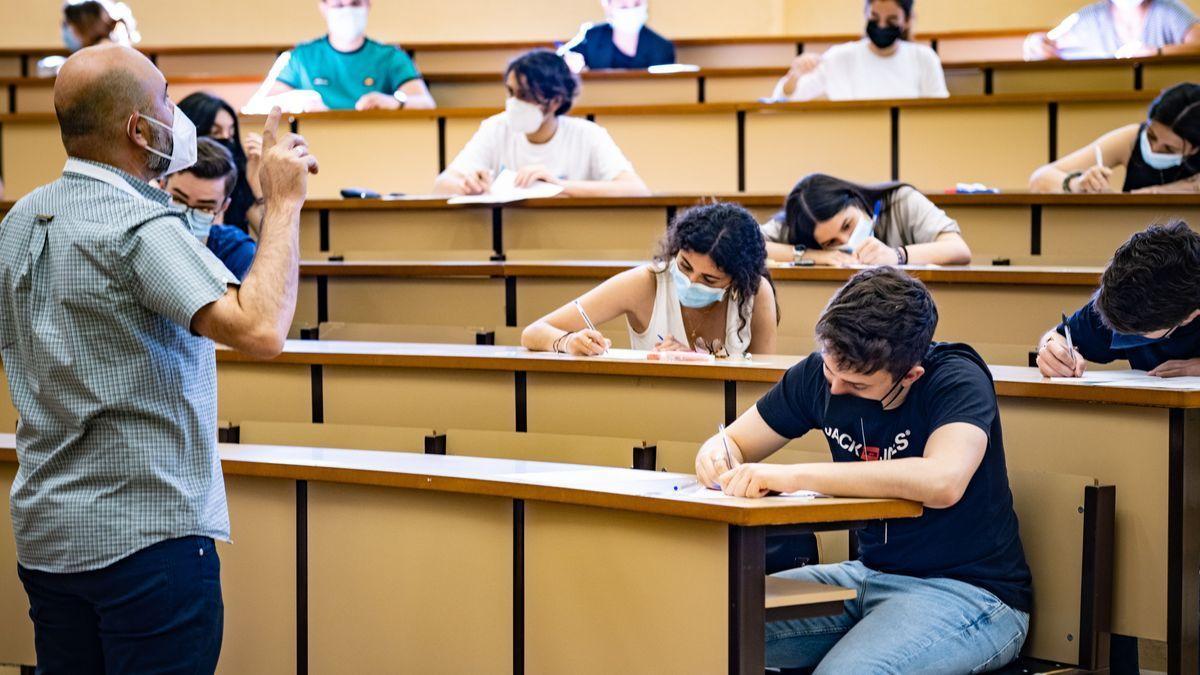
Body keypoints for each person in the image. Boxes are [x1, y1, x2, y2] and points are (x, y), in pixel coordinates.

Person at [0, 44, 317, 673]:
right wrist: (281, 204)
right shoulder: (138, 226)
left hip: (47, 533)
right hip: (146, 537)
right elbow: (261, 330)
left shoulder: (22, 217)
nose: (179, 113)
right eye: (168, 98)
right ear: (139, 130)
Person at [695, 267, 1031, 673]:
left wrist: (794, 476)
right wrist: (716, 454)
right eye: (828, 370)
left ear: (910, 375)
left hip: (971, 593)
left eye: (856, 385)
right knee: (699, 625)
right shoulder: (824, 372)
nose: (836, 389)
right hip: (865, 576)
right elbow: (734, 441)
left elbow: (943, 481)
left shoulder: (956, 377)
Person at [522, 202, 776, 357]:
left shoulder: (756, 292)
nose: (690, 281)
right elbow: (533, 332)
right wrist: (567, 342)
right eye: (685, 265)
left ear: (737, 280)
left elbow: (765, 385)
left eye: (709, 280)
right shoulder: (645, 282)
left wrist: (696, 361)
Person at [433, 49, 650, 198]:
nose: (514, 102)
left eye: (525, 94)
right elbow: (442, 184)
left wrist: (557, 186)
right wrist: (468, 185)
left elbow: (636, 189)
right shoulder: (495, 128)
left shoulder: (588, 135)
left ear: (555, 101)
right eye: (511, 92)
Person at [1036, 220, 1200, 378]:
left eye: (1139, 333)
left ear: (1190, 316)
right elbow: (1059, 335)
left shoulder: (1161, 302)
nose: (1126, 334)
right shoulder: (1125, 302)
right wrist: (1052, 352)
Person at [258, 0, 435, 112]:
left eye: (355, 4)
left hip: (376, 144)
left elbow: (426, 103)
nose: (347, 10)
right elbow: (259, 105)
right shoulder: (299, 57)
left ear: (368, 5)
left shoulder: (391, 56)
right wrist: (299, 102)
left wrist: (394, 102)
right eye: (339, 5)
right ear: (324, 7)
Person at [762, 174, 971, 266]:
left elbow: (958, 250)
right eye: (831, 242)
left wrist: (897, 256)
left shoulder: (901, 200)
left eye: (847, 225)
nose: (847, 239)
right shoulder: (799, 224)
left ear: (856, 200)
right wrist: (816, 256)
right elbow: (744, 244)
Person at [1029, 82, 1199, 194]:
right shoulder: (1133, 139)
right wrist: (1078, 184)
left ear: (1195, 148)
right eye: (1151, 136)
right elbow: (1040, 178)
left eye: (1168, 149)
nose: (1153, 148)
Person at [770, 0, 948, 102]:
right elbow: (784, 99)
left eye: (892, 20)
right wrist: (796, 75)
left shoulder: (924, 58)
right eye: (875, 18)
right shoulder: (839, 56)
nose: (882, 26)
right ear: (866, 14)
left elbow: (939, 114)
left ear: (907, 20)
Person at [162, 138, 259, 280]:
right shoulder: (136, 237)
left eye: (204, 208)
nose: (186, 215)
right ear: (162, 185)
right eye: (178, 199)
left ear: (223, 207)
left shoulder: (236, 252)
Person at [179, 92, 265, 234]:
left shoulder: (238, 180)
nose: (226, 140)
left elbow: (271, 237)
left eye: (231, 135)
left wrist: (257, 186)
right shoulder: (172, 181)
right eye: (215, 133)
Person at [1025, 0, 1199, 60]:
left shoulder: (1167, 11)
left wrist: (1157, 52)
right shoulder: (1090, 17)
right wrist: (1036, 43)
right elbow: (1048, 43)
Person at [560, 0, 676, 72]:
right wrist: (569, 61)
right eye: (623, 7)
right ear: (608, 5)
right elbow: (559, 59)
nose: (632, 11)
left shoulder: (662, 47)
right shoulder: (592, 37)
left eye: (637, 4)